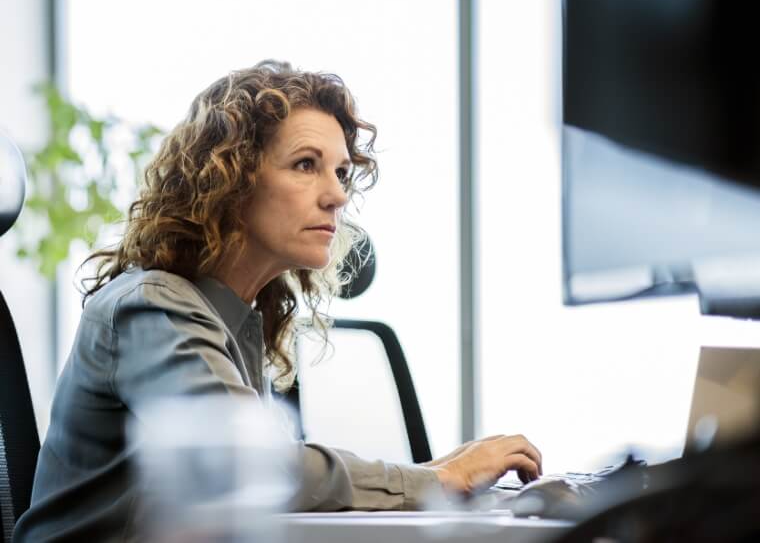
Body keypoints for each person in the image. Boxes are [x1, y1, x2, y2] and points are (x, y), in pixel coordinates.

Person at [13, 60, 542, 542]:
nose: (337, 194)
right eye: (306, 164)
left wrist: (435, 474)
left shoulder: (237, 317)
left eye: (339, 172)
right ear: (229, 179)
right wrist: (438, 480)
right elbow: (254, 465)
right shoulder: (151, 306)